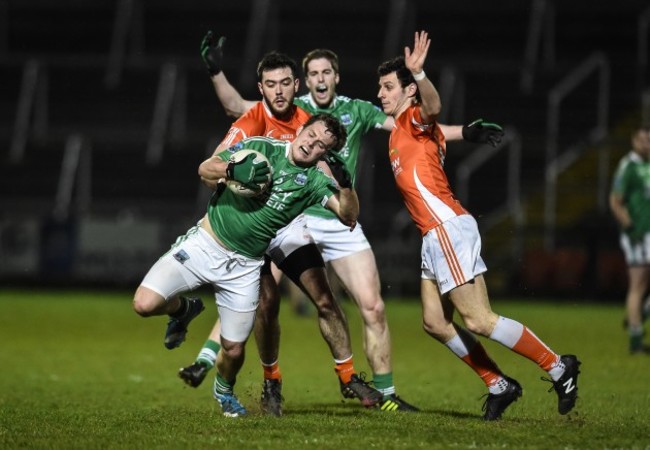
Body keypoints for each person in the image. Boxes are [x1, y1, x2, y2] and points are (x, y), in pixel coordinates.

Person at [189, 31, 506, 413]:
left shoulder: (353, 111)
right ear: (303, 80)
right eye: (312, 73)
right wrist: (215, 71)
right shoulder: (287, 105)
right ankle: (247, 372)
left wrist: (465, 133)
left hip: (339, 218)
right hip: (292, 217)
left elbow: (411, 125)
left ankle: (382, 394)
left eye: (326, 72)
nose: (319, 79)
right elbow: (236, 105)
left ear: (336, 77)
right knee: (261, 299)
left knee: (371, 306)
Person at [376, 30, 581, 420]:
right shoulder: (401, 128)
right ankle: (498, 385)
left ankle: (559, 366)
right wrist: (468, 131)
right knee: (435, 322)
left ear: (407, 92)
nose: (381, 94)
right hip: (433, 235)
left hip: (447, 229)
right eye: (380, 87)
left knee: (478, 319)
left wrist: (419, 75)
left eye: (388, 87)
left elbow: (433, 109)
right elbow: (443, 128)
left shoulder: (414, 118)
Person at [180, 47, 383, 415]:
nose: (279, 91)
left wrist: (342, 187)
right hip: (251, 225)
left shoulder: (309, 123)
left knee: (323, 297)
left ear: (296, 86)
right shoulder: (251, 121)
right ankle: (270, 381)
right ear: (262, 87)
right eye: (271, 84)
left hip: (289, 224)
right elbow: (214, 166)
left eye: (285, 83)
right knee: (267, 302)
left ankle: (349, 375)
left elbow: (331, 186)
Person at [133, 113, 358, 417]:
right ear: (301, 130)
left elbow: (348, 216)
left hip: (244, 267)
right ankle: (182, 310)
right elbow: (205, 169)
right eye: (311, 134)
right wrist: (232, 169)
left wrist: (346, 186)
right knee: (144, 304)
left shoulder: (316, 182)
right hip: (204, 245)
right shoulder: (261, 149)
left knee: (234, 349)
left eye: (321, 145)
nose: (312, 144)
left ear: (325, 154)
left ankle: (224, 391)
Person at [609, 125, 650, 354]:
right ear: (634, 141)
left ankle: (639, 315)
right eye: (643, 140)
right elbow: (615, 201)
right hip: (638, 233)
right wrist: (629, 226)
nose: (647, 144)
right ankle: (635, 340)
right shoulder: (629, 166)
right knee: (638, 284)